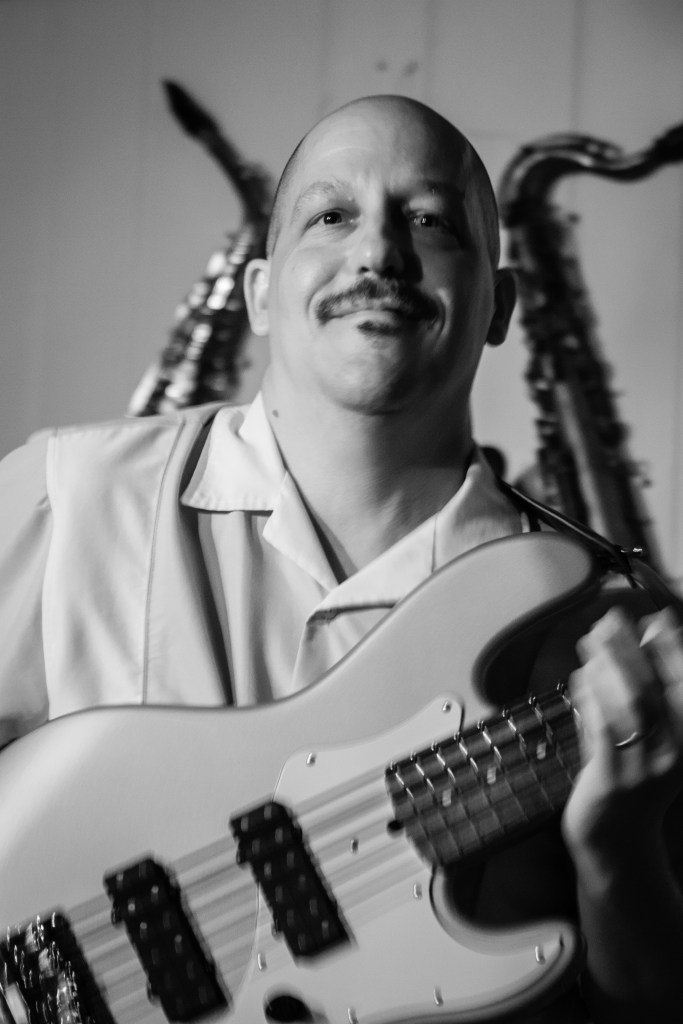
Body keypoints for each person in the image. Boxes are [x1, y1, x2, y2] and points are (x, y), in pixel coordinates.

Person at [0, 94, 681, 1022]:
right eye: (330, 216)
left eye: (429, 221)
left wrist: (617, 851)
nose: (378, 254)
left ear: (498, 306)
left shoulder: (605, 634)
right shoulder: (67, 495)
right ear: (258, 294)